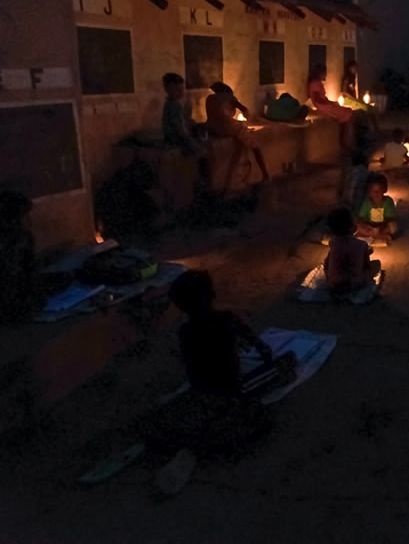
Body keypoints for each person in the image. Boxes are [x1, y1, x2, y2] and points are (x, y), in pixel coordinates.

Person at [145, 270, 296, 494]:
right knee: (286, 362)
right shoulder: (226, 320)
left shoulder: (185, 332)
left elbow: (192, 369)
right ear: (212, 294)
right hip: (232, 386)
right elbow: (262, 349)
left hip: (201, 388)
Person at [204, 82, 270, 189]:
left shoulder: (209, 99)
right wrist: (245, 116)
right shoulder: (229, 97)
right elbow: (245, 111)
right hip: (227, 128)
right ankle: (265, 174)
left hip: (213, 128)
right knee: (255, 146)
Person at [0, 191, 44, 324]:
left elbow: (31, 272)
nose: (29, 221)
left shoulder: (25, 239)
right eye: (25, 216)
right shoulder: (8, 246)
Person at [324, 207, 382, 294]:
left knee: (328, 261)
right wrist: (364, 253)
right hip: (355, 284)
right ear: (353, 227)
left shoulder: (333, 242)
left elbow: (327, 263)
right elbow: (367, 266)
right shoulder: (362, 245)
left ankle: (333, 278)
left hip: (334, 285)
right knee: (377, 264)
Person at [161, 73, 202, 157]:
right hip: (175, 138)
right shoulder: (174, 105)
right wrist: (194, 145)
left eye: (182, 89)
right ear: (167, 89)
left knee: (195, 124)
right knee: (201, 150)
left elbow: (182, 119)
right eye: (177, 89)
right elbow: (179, 129)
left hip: (170, 136)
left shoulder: (170, 102)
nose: (181, 92)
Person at [356, 173, 399, 242]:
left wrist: (380, 228)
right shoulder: (366, 202)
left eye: (378, 191)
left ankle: (374, 235)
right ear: (369, 191)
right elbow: (361, 218)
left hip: (383, 226)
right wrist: (369, 226)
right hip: (370, 226)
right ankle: (380, 236)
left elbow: (389, 218)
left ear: (384, 190)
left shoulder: (388, 201)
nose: (376, 193)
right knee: (358, 227)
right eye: (373, 191)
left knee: (393, 226)